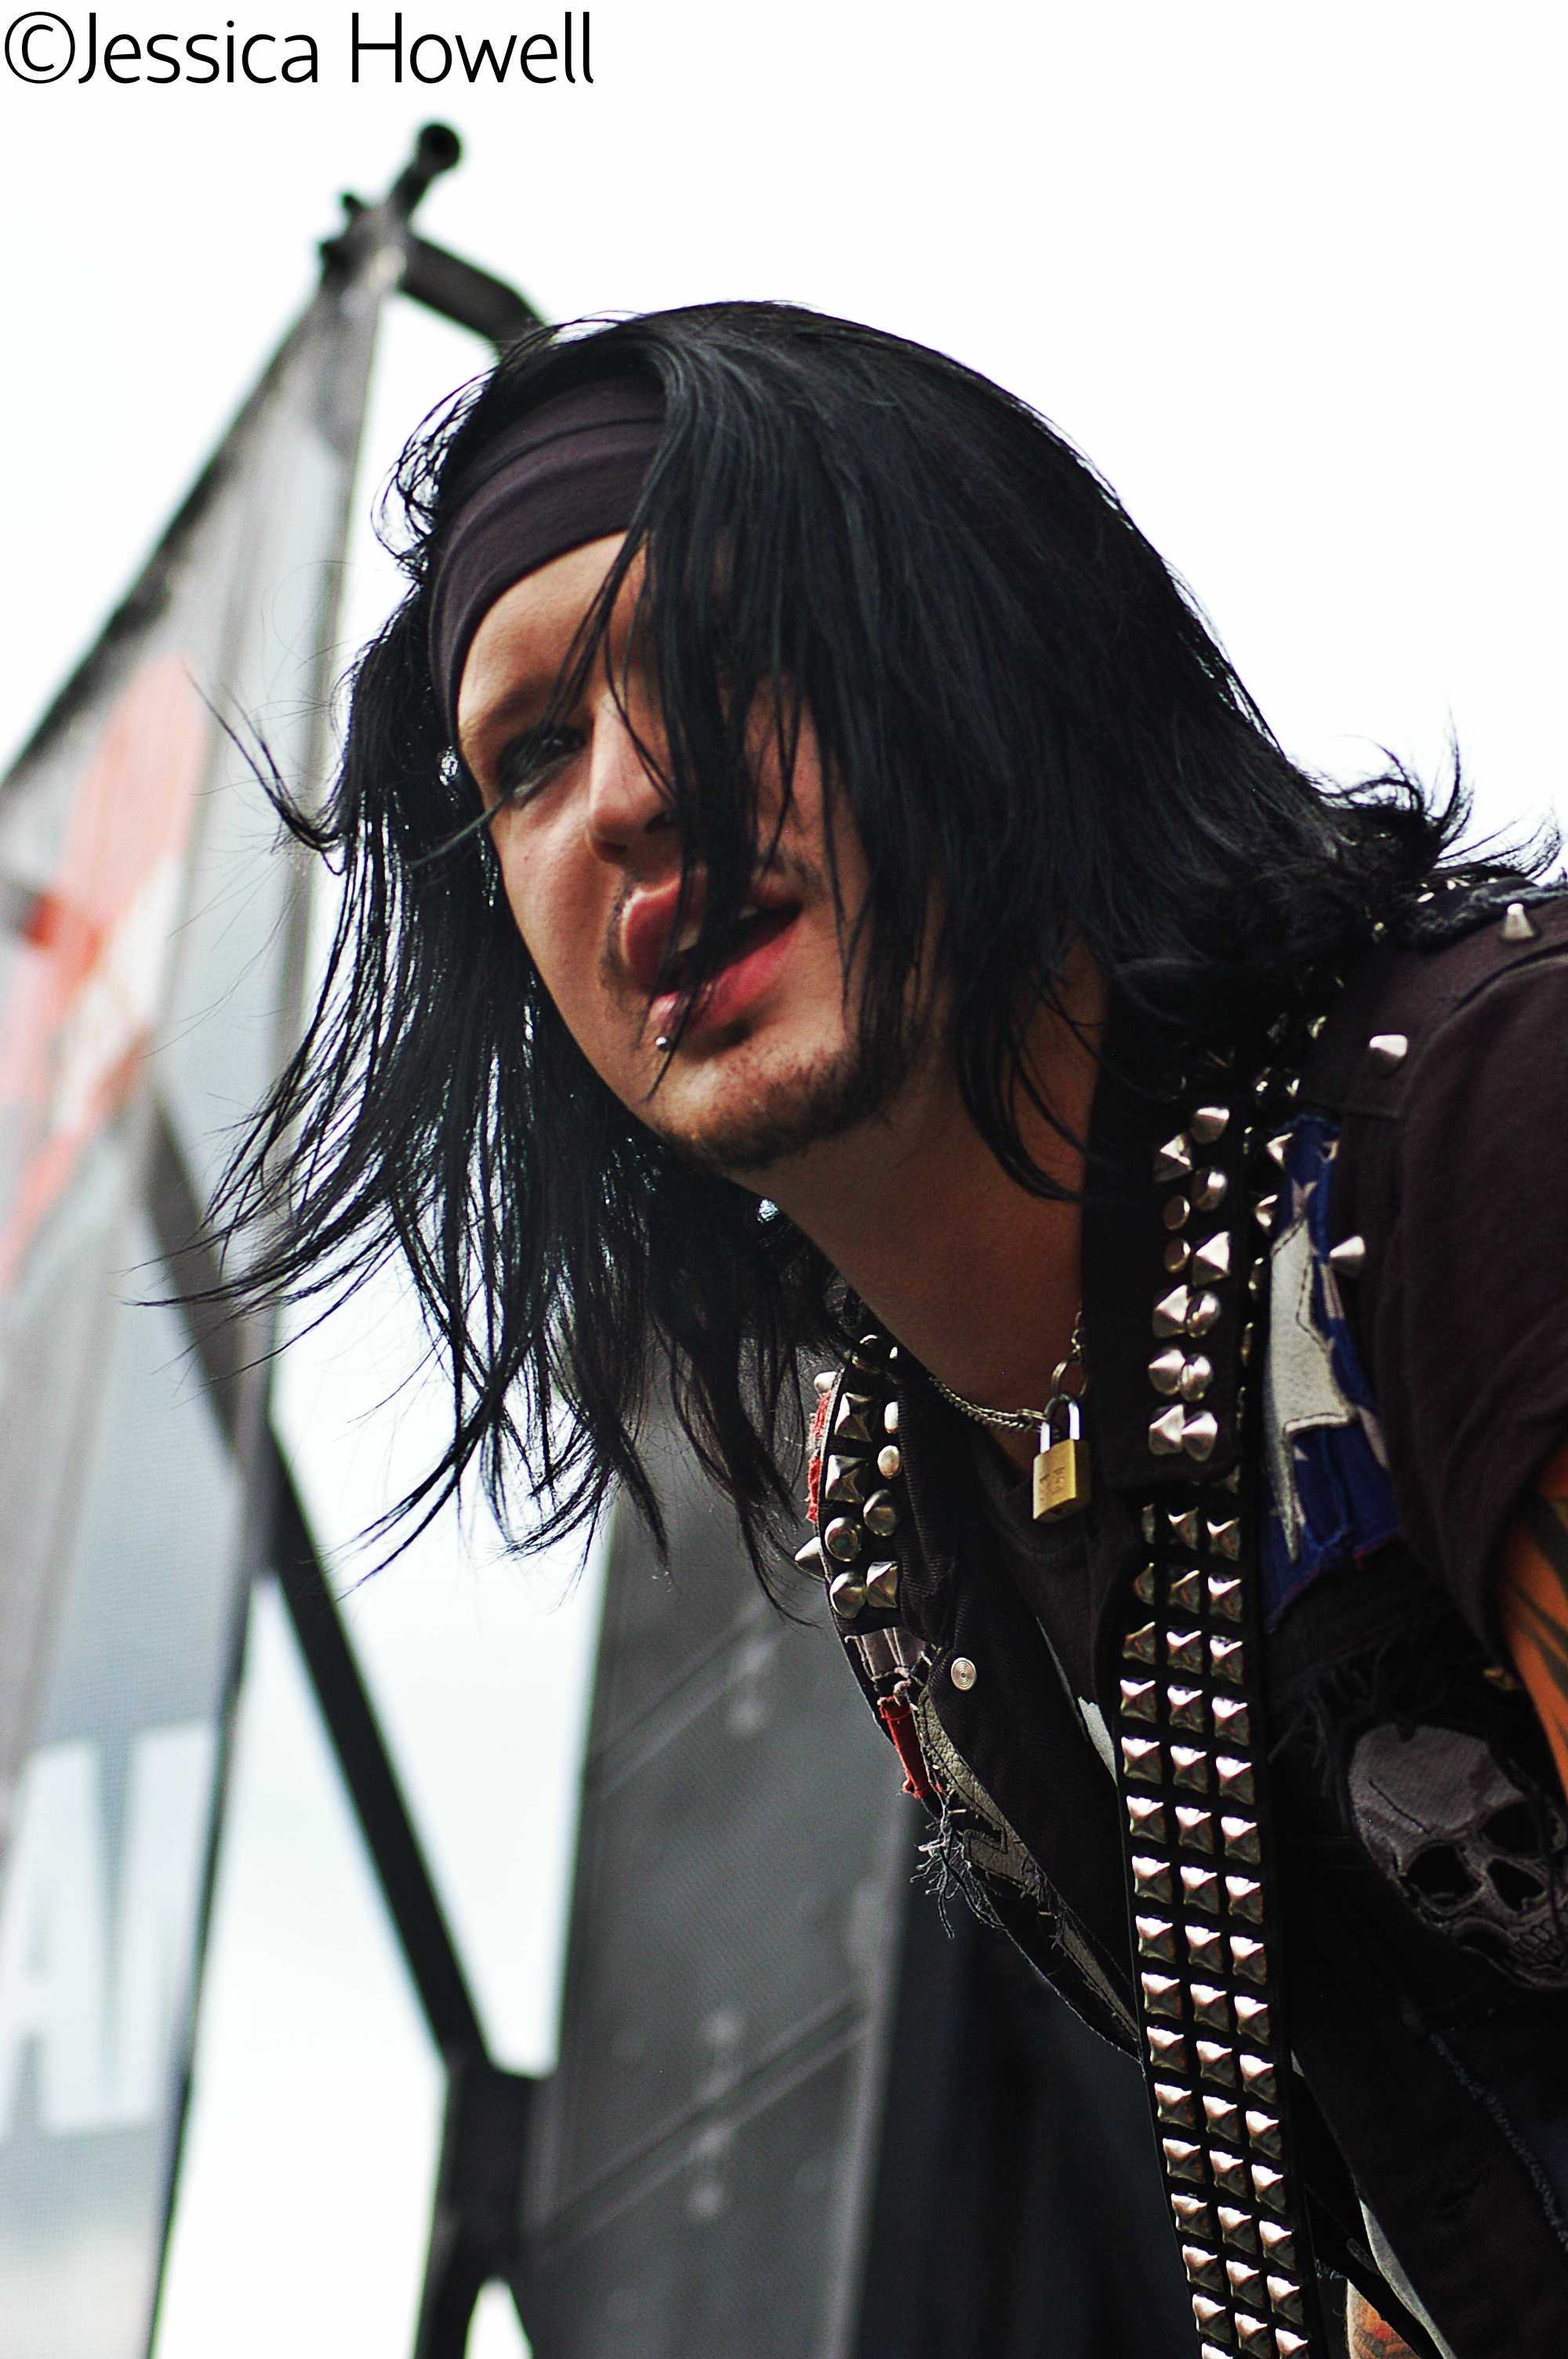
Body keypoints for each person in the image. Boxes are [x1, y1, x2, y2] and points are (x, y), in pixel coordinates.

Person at [224, 304, 1568, 2359]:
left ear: (975, 655)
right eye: (532, 755)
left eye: (724, 646)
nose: (629, 797)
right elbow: (1406, 2232)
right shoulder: (909, 1527)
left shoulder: (1485, 1132)